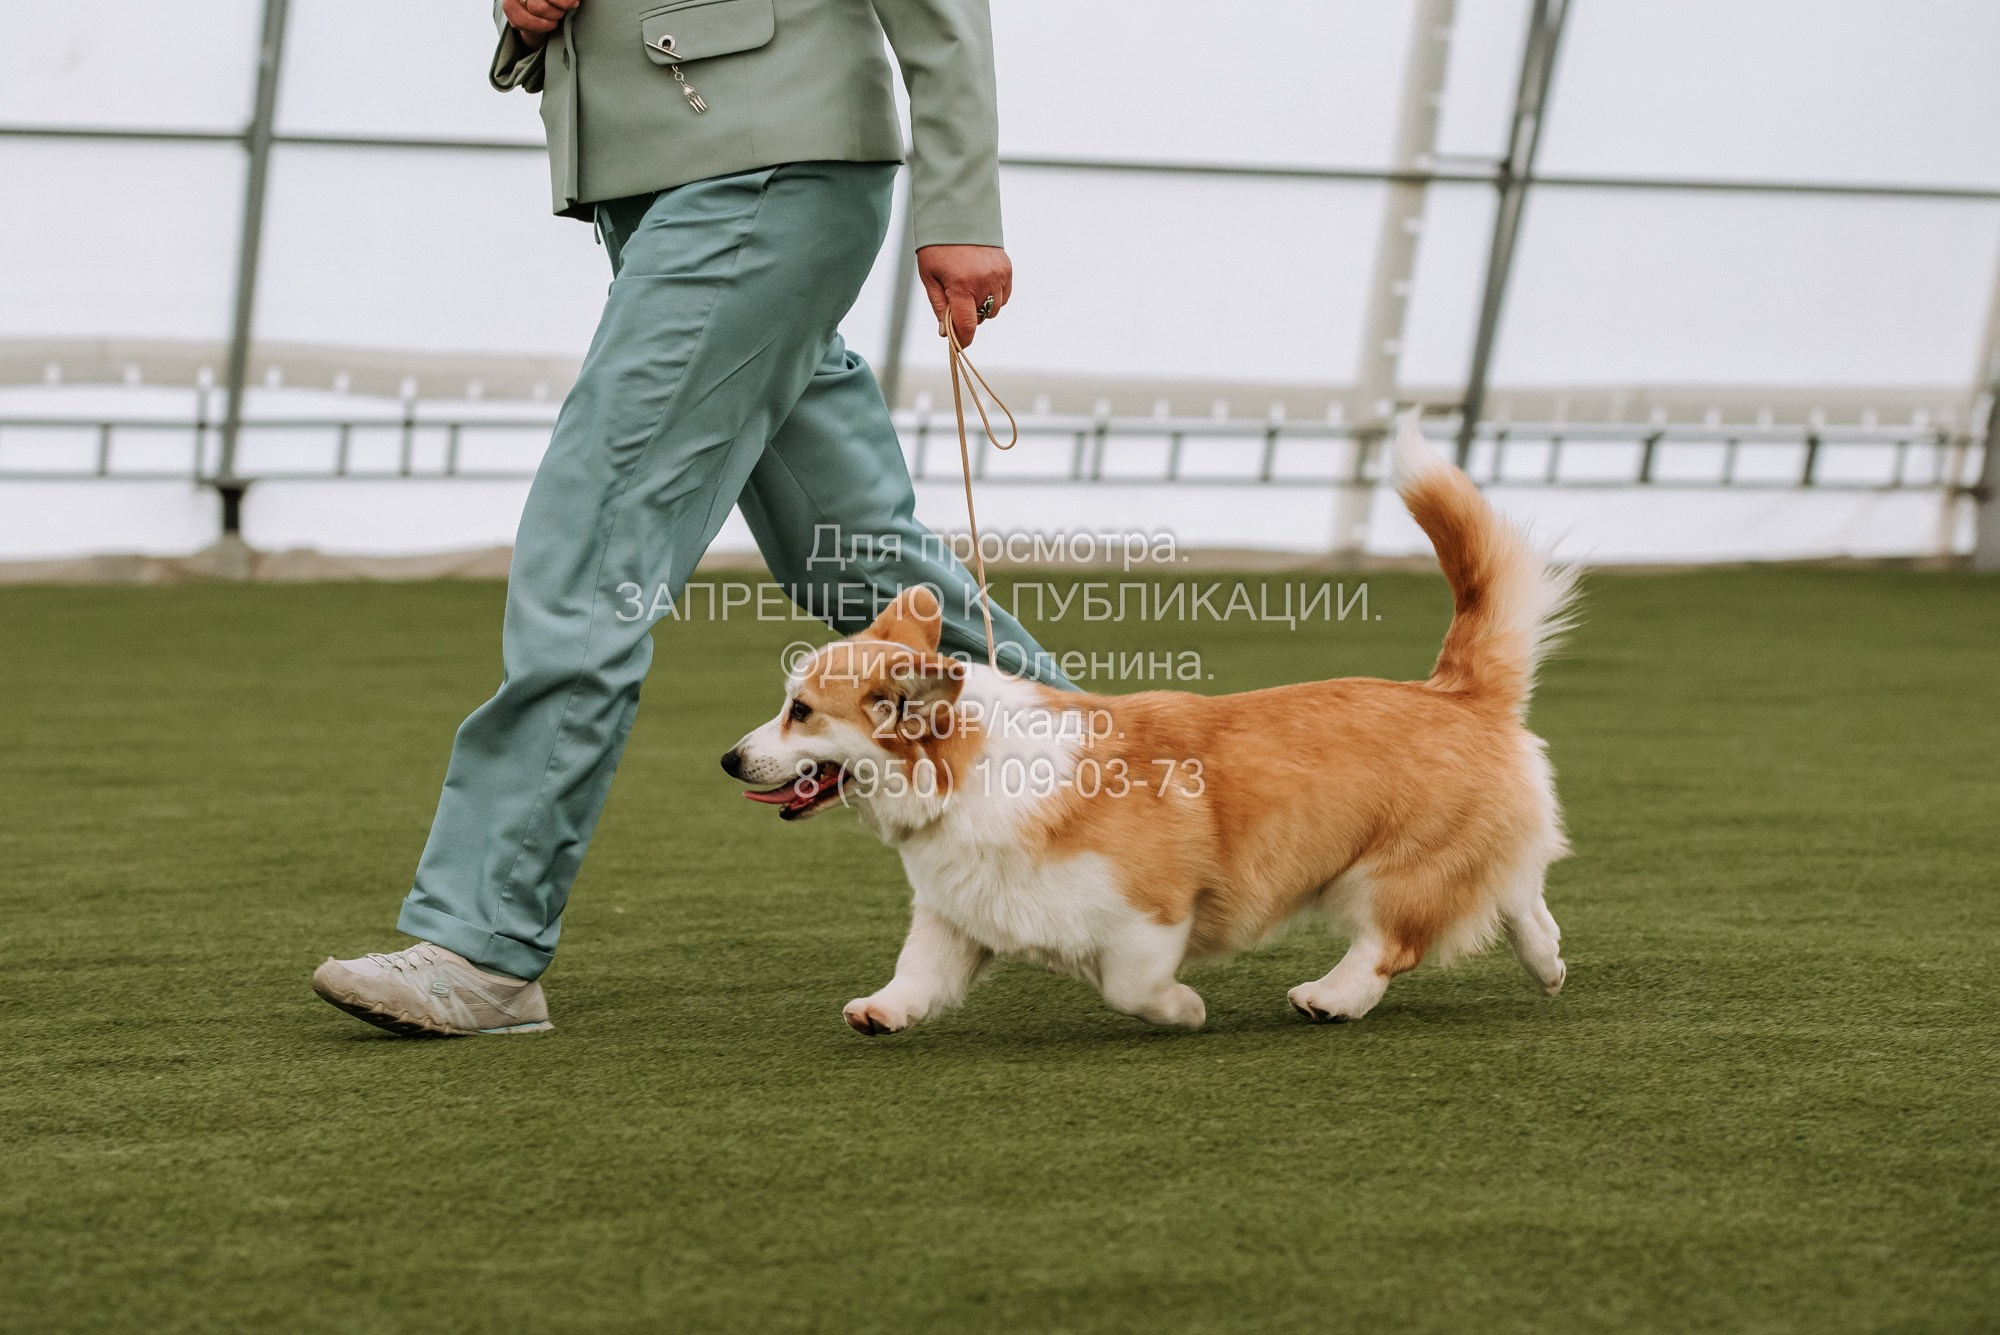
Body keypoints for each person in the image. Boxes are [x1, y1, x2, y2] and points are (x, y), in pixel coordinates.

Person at [311, 0, 1067, 1037]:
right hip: (666, 180)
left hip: (758, 170)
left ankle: (481, 945)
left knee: (592, 544)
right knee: (860, 564)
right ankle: (1126, 784)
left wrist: (962, 204)